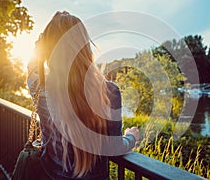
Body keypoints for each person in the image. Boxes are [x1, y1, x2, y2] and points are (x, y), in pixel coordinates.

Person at [27, 11, 140, 179]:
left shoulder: (40, 90)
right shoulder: (109, 92)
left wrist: (42, 41)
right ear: (85, 45)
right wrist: (131, 137)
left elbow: (32, 67)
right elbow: (114, 148)